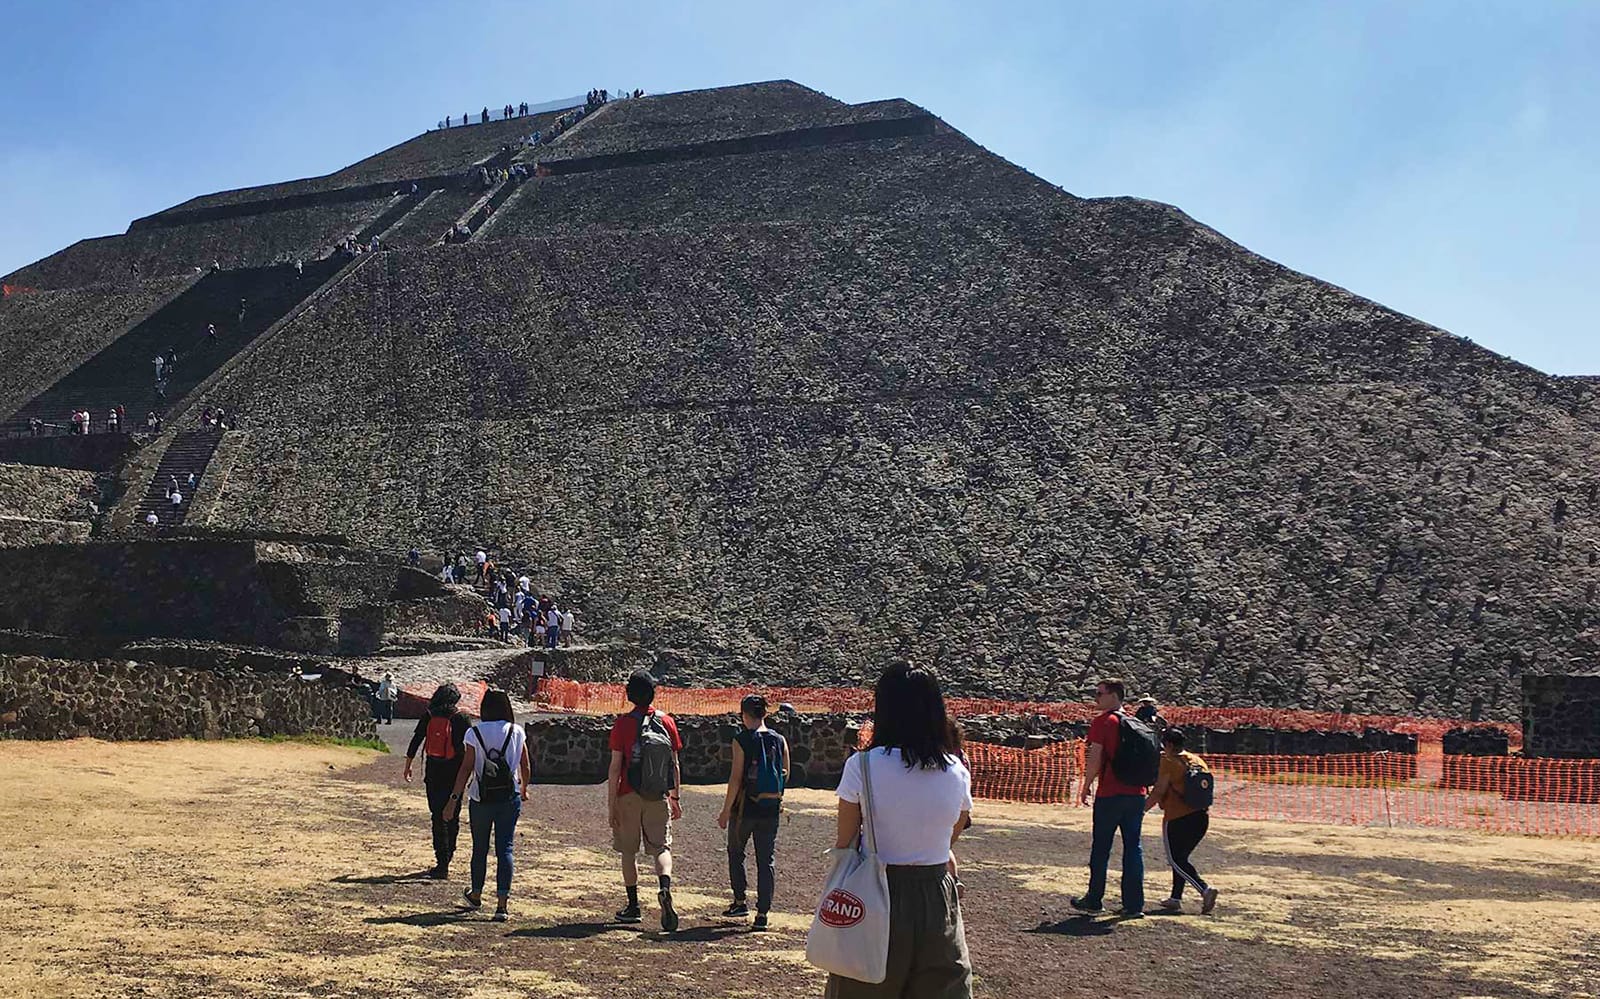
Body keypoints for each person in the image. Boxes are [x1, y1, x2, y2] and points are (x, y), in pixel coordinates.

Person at [825, 665, 973, 998]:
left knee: (861, 986)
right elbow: (951, 834)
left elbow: (845, 843)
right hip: (937, 898)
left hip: (875, 893)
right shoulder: (956, 772)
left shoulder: (861, 766)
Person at [443, 689, 530, 922]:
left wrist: (453, 799)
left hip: (481, 797)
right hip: (508, 797)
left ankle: (477, 893)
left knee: (479, 848)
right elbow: (526, 765)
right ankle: (502, 904)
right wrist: (524, 789)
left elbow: (466, 768)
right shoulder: (516, 731)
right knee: (506, 848)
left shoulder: (474, 733)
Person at [607, 671, 683, 931]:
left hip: (629, 794)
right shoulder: (667, 722)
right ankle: (664, 887)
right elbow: (674, 763)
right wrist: (675, 797)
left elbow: (616, 767)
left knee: (628, 852)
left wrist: (611, 804)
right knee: (661, 847)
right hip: (658, 793)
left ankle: (633, 906)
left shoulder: (623, 724)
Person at [1071, 678, 1152, 917]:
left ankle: (1094, 898)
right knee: (1133, 848)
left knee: (1101, 847)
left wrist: (1086, 785)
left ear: (1114, 695)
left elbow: (1095, 757)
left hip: (1110, 793)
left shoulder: (1104, 722)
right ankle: (1134, 904)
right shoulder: (1135, 722)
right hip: (1136, 793)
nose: (1096, 698)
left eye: (1100, 694)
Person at [717, 694, 790, 930]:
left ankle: (740, 901)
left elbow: (736, 778)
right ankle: (763, 913)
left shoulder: (741, 740)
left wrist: (726, 810)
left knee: (736, 852)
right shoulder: (780, 740)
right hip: (770, 810)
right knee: (766, 859)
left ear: (744, 715)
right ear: (765, 714)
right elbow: (785, 773)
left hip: (745, 809)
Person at [1145, 728, 1219, 914]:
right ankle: (1175, 898)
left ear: (1169, 745)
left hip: (1177, 817)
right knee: (1181, 859)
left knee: (1175, 859)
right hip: (1201, 816)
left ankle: (1204, 889)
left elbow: (1159, 791)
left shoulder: (1168, 762)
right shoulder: (1196, 760)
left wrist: (1141, 810)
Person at [405, 684, 471, 878]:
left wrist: (408, 765)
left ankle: (441, 860)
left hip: (433, 770)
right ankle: (449, 853)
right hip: (455, 773)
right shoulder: (461, 717)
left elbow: (416, 740)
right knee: (452, 814)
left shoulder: (429, 715)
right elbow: (471, 745)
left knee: (436, 815)